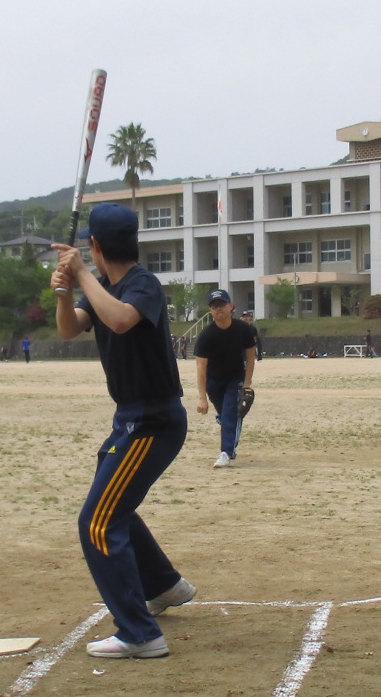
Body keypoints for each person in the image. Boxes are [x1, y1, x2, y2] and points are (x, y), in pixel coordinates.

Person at [52, 203, 195, 658]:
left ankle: (140, 633)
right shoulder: (103, 287)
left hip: (153, 421)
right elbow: (70, 329)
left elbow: (120, 319)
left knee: (97, 521)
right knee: (113, 500)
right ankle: (165, 586)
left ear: (96, 246)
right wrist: (63, 291)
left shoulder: (142, 284)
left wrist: (82, 274)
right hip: (129, 419)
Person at [193, 289, 258, 468]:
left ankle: (226, 452)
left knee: (230, 412)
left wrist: (246, 384)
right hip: (213, 382)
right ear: (210, 311)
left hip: (235, 377)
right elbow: (201, 367)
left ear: (231, 307)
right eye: (214, 306)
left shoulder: (243, 329)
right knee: (225, 415)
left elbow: (251, 357)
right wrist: (202, 398)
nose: (218, 309)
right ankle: (227, 424)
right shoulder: (206, 336)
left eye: (222, 304)